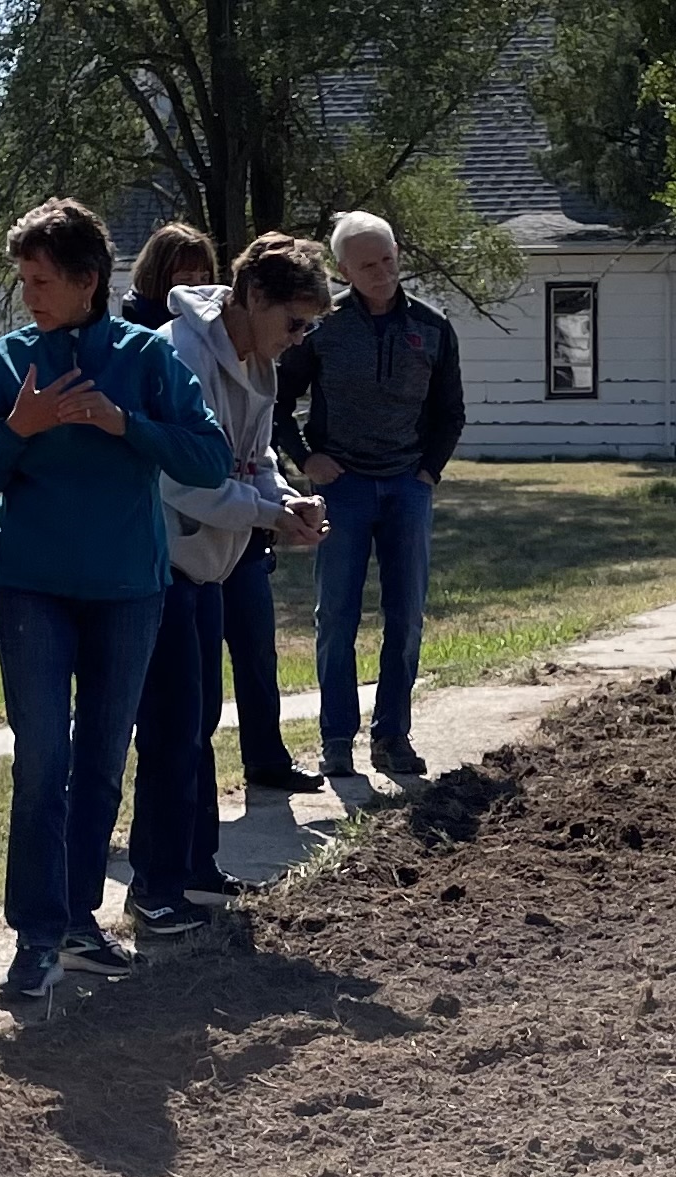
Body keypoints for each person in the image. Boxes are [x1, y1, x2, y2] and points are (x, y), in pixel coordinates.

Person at [0, 199, 232, 1005]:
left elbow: (209, 458)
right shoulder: (7, 361)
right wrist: (20, 426)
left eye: (41, 281)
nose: (28, 295)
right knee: (42, 760)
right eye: (23, 280)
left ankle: (77, 922)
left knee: (101, 760)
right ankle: (34, 939)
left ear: (88, 280)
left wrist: (122, 422)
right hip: (30, 586)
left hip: (126, 588)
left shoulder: (145, 357)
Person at [129, 234, 335, 936]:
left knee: (199, 723)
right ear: (251, 297)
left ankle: (194, 867)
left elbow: (256, 457)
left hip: (210, 564)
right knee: (169, 731)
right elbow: (181, 482)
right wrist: (269, 514)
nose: (298, 339)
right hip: (160, 562)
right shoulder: (177, 355)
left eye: (307, 327)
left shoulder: (259, 364)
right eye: (294, 323)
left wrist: (287, 500)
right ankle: (153, 888)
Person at [274, 210, 464, 780]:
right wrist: (306, 458)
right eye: (367, 267)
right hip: (343, 487)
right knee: (337, 613)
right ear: (343, 271)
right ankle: (336, 739)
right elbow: (278, 402)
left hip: (407, 486)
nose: (381, 274)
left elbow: (450, 412)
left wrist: (427, 473)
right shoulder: (321, 328)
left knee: (405, 614)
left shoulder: (432, 326)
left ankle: (393, 736)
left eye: (387, 260)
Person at [121, 222, 218, 329]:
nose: (198, 287)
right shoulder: (138, 319)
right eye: (186, 279)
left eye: (204, 278)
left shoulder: (215, 317)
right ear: (158, 277)